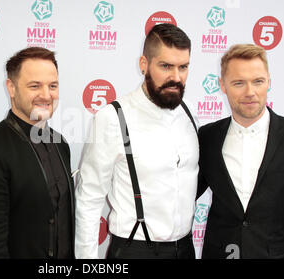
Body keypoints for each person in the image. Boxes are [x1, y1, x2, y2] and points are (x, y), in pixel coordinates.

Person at [75, 23, 199, 259]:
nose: (176, 77)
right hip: (135, 250)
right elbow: (89, 199)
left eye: (183, 67)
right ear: (144, 64)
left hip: (185, 249)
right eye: (166, 66)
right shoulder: (113, 117)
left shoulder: (190, 113)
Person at [0, 47, 75, 259]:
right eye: (35, 86)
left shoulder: (61, 145)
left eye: (53, 86)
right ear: (11, 88)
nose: (46, 95)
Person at [197, 44, 284, 259]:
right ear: (223, 85)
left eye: (258, 81)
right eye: (239, 83)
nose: (250, 92)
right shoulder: (207, 137)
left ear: (268, 82)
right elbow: (183, 194)